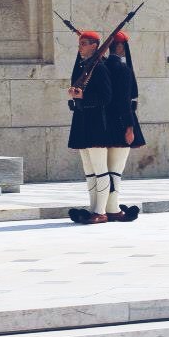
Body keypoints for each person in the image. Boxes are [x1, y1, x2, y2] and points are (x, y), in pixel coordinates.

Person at [67, 31, 113, 225]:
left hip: (96, 123)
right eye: (80, 43)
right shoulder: (82, 67)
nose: (80, 47)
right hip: (82, 121)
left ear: (95, 45)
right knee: (89, 170)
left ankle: (101, 211)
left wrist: (83, 97)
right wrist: (74, 96)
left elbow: (106, 97)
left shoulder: (100, 68)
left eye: (84, 43)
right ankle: (93, 208)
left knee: (100, 169)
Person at [103, 31, 144, 222]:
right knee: (115, 169)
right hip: (120, 123)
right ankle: (113, 208)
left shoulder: (101, 66)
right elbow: (124, 101)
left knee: (103, 170)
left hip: (103, 123)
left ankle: (102, 207)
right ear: (120, 47)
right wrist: (129, 127)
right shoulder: (123, 69)